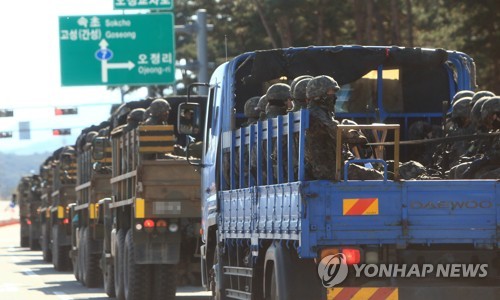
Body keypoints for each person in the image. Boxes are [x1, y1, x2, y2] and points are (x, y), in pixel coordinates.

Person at [305, 75, 382, 180]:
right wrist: (357, 137)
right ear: (320, 95)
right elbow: (338, 133)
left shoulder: (317, 112)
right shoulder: (317, 115)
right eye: (331, 92)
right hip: (329, 170)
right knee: (377, 177)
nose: (334, 96)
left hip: (327, 167)